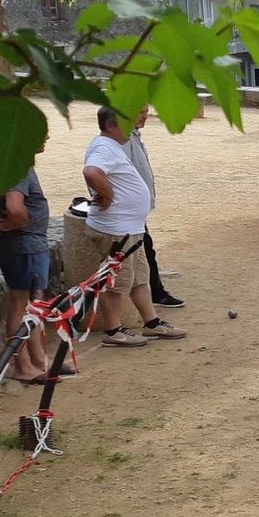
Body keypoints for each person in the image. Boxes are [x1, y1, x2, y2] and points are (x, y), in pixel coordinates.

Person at [82, 107, 188, 347]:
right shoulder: (104, 147)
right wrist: (107, 194)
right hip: (117, 230)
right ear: (112, 125)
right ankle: (113, 331)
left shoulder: (114, 145)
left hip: (129, 228)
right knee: (116, 282)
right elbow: (91, 172)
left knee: (140, 277)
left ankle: (152, 323)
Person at [0, 136, 55, 383]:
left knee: (32, 306)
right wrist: (22, 222)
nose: (46, 137)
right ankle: (23, 366)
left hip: (26, 243)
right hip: (24, 244)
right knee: (20, 305)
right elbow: (15, 208)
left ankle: (38, 361)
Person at [125, 106, 185, 309]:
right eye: (141, 111)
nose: (146, 115)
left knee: (144, 250)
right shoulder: (122, 139)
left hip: (136, 208)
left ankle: (154, 291)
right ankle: (155, 293)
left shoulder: (133, 135)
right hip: (129, 209)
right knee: (143, 250)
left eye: (146, 110)